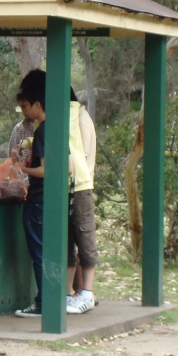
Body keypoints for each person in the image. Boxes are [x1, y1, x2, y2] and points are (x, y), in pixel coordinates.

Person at [14, 71, 47, 317]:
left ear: (37, 104)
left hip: (38, 200)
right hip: (48, 199)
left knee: (39, 252)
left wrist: (22, 168)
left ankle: (43, 302)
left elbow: (45, 170)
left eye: (25, 106)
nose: (24, 111)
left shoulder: (43, 132)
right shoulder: (53, 128)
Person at [66, 87, 99, 314]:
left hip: (80, 185)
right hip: (66, 187)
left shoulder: (79, 116)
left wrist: (81, 174)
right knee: (67, 241)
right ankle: (68, 293)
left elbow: (85, 152)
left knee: (85, 237)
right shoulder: (59, 115)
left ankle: (87, 292)